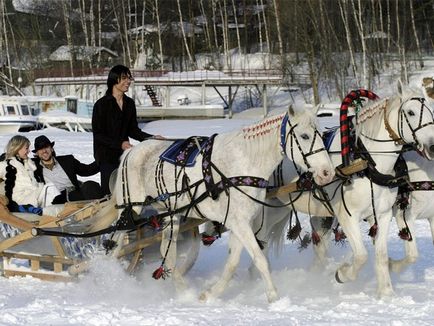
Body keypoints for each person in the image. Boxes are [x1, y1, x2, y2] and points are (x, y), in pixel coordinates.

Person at [92, 64, 154, 195]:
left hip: (125, 155)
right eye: (124, 78)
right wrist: (120, 143)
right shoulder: (101, 105)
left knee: (128, 191)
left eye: (129, 78)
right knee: (109, 193)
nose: (128, 81)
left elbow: (133, 130)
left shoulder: (130, 103)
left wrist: (151, 138)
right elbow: (98, 135)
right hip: (106, 156)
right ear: (115, 80)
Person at [32, 135, 103, 204]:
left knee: (90, 185)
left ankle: (104, 209)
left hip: (74, 194)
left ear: (51, 148)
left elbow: (87, 170)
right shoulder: (34, 167)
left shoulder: (67, 161)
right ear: (37, 153)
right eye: (40, 149)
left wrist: (102, 159)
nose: (44, 151)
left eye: (46, 147)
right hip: (54, 200)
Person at [0, 135, 60, 214]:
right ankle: (58, 216)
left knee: (50, 188)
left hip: (35, 196)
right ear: (18, 148)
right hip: (21, 201)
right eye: (26, 148)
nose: (29, 151)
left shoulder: (29, 163)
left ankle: (56, 216)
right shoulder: (7, 164)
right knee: (50, 187)